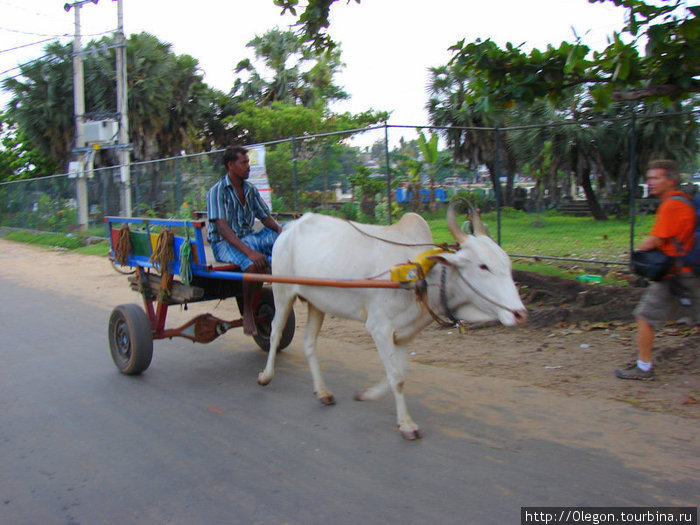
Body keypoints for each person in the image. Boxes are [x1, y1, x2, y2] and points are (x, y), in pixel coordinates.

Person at [616, 159, 700, 380]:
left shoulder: (672, 205)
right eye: (649, 178)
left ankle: (644, 368)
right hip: (687, 271)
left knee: (645, 316)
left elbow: (656, 239)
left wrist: (636, 255)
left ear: (670, 180)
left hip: (675, 274)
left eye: (656, 178)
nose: (650, 182)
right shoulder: (685, 201)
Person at [207, 146, 283, 335]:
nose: (248, 167)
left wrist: (282, 232)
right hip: (224, 243)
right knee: (251, 264)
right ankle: (248, 310)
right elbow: (223, 229)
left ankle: (280, 267)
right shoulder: (217, 191)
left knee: (288, 234)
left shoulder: (250, 189)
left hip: (249, 238)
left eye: (248, 162)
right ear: (231, 165)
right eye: (244, 163)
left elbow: (265, 218)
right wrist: (250, 253)